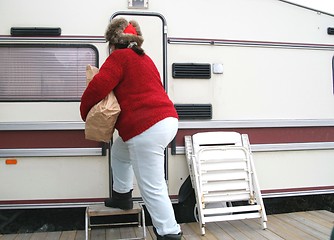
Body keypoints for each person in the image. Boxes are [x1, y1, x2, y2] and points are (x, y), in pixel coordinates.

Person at [80, 18, 182, 240]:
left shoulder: (118, 57)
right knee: (119, 152)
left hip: (147, 128)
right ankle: (122, 196)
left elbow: (98, 86)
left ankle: (170, 233)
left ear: (113, 43)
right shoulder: (145, 59)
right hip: (167, 120)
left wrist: (84, 110)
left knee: (152, 186)